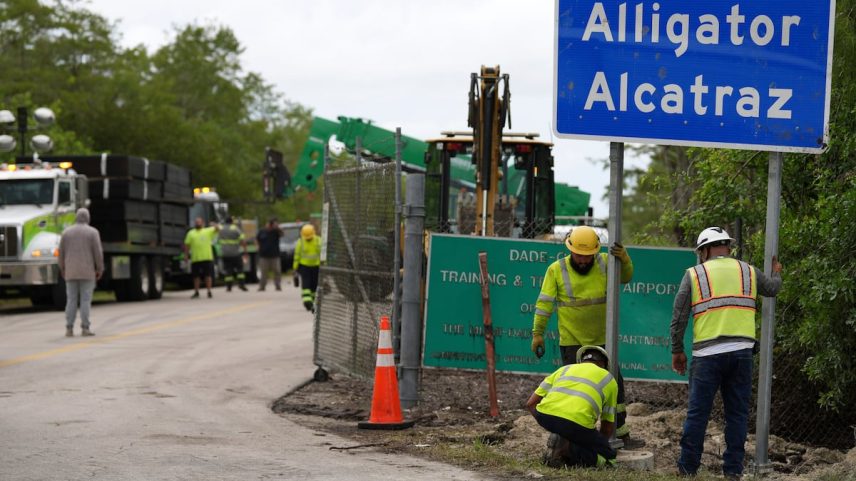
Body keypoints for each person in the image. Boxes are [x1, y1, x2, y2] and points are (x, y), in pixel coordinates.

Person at [671, 226, 783, 479]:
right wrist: (777, 274)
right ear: (727, 247)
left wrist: (677, 350)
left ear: (704, 250)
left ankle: (687, 469)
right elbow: (773, 289)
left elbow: (678, 317)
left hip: (707, 355)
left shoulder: (694, 274)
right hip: (742, 353)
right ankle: (732, 472)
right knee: (737, 415)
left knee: (698, 413)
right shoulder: (749, 271)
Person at [530, 226, 634, 441]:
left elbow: (625, 278)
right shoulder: (556, 270)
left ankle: (619, 432)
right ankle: (574, 434)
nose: (584, 260)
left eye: (588, 256)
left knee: (615, 385)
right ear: (570, 249)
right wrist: (537, 333)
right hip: (572, 341)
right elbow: (544, 305)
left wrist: (623, 259)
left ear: (595, 251)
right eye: (579, 255)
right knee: (575, 387)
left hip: (604, 339)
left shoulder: (606, 262)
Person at [526, 345, 619, 469]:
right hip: (578, 425)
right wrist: (598, 444)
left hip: (546, 417)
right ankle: (567, 451)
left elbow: (530, 403)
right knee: (610, 459)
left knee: (570, 433)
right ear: (604, 364)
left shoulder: (564, 369)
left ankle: (562, 442)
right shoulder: (609, 379)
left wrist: (548, 422)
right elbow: (607, 426)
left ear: (582, 360)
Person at [58, 208, 104, 337]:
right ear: (88, 218)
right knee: (85, 300)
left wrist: (62, 268)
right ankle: (85, 328)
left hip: (70, 272)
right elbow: (98, 253)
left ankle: (69, 328)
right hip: (87, 272)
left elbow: (61, 253)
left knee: (71, 300)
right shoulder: (93, 232)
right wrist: (99, 269)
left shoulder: (66, 233)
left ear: (76, 217)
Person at [184, 217, 219, 299]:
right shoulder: (191, 233)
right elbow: (187, 245)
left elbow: (218, 229)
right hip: (196, 258)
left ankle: (209, 291)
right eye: (196, 222)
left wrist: (214, 224)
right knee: (196, 277)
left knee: (208, 275)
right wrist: (186, 255)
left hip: (207, 258)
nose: (197, 223)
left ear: (202, 223)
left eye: (199, 222)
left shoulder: (208, 231)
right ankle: (196, 292)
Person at [293, 223, 322, 311]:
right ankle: (311, 302)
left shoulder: (300, 242)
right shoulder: (318, 240)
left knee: (306, 285)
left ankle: (308, 302)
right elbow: (323, 255)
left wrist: (295, 269)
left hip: (304, 267)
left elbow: (296, 257)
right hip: (315, 267)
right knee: (313, 285)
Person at [218, 216, 248, 292]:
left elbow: (217, 238)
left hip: (225, 253)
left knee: (228, 270)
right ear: (232, 221)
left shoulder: (221, 228)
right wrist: (245, 251)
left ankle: (229, 287)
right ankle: (241, 285)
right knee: (240, 270)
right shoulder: (235, 228)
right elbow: (242, 240)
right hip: (235, 253)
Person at [255, 218, 283, 292]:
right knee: (263, 272)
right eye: (269, 224)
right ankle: (262, 286)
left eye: (271, 224)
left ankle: (278, 285)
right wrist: (257, 247)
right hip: (264, 256)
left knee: (277, 271)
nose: (270, 225)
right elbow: (257, 239)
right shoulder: (262, 231)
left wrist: (277, 227)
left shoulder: (276, 231)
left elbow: (282, 234)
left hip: (275, 255)